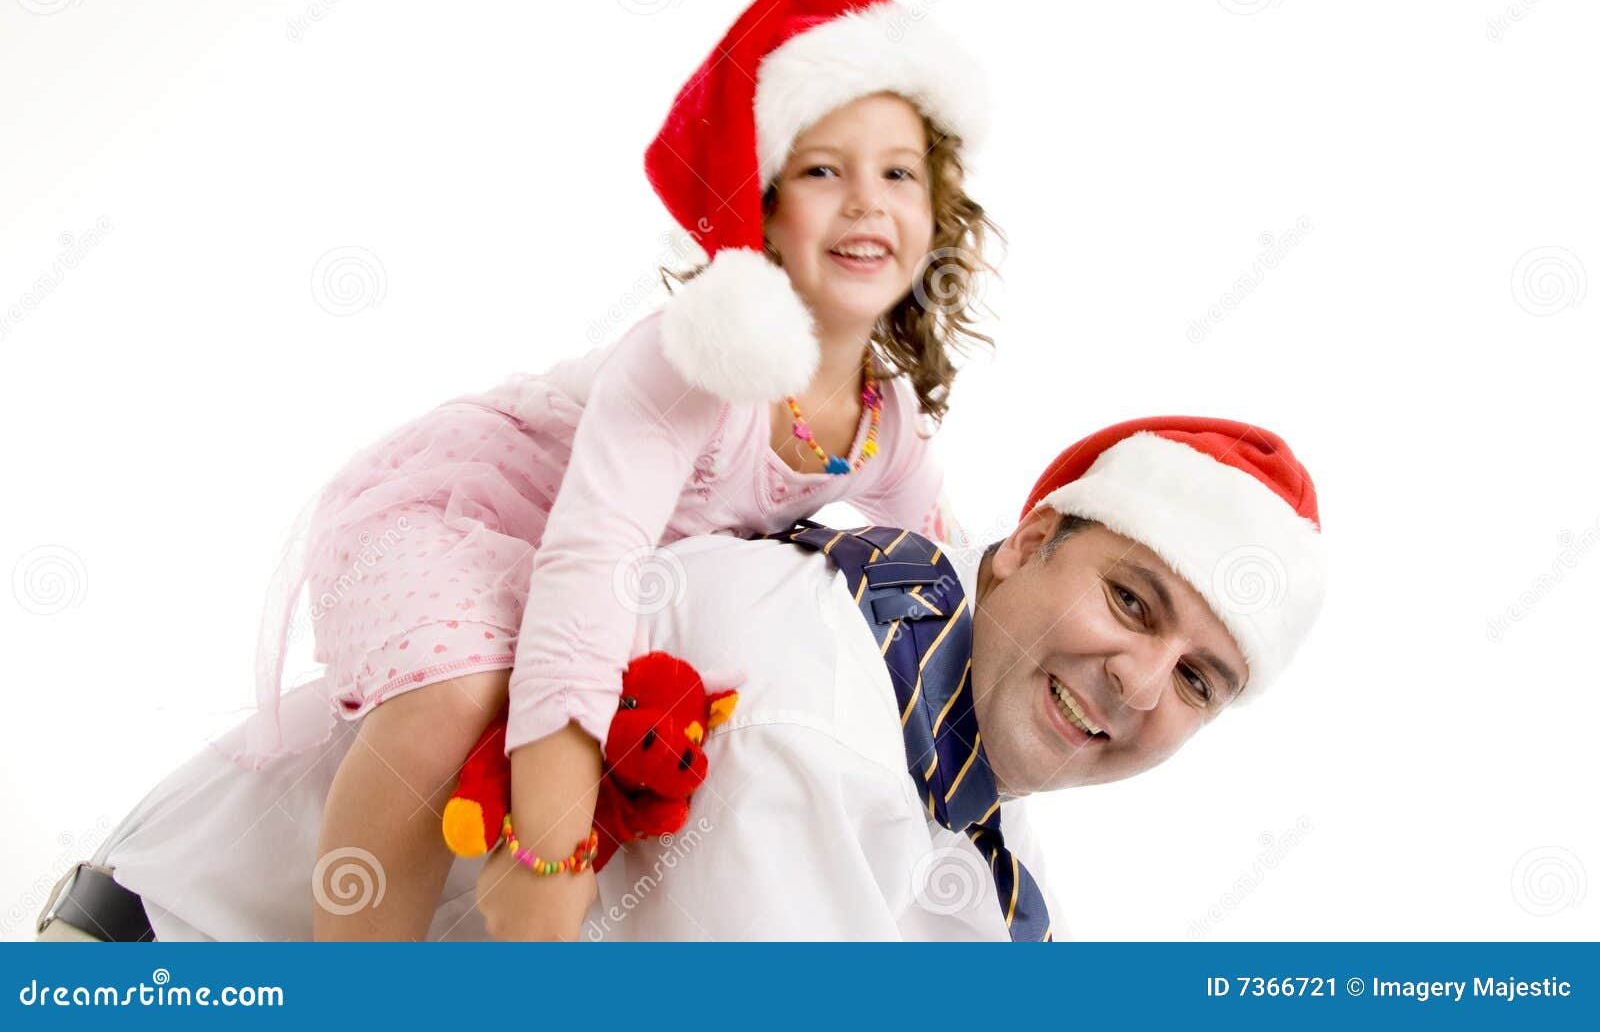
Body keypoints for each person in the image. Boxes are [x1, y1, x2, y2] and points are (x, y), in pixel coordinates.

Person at [208, 0, 1001, 940]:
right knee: (459, 690)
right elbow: (588, 565)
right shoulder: (694, 362)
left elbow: (942, 574)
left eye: (897, 173)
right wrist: (552, 847)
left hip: (597, 574)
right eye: (822, 170)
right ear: (758, 204)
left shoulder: (886, 427)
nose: (866, 202)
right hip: (466, 517)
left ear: (935, 211)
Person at [38, 416, 1326, 941]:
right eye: (1130, 600)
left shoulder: (960, 761)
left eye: (1199, 678)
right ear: (1027, 545)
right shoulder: (812, 707)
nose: (1138, 678)